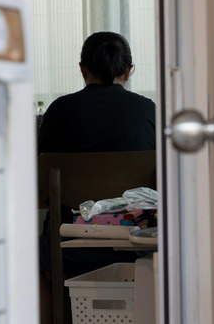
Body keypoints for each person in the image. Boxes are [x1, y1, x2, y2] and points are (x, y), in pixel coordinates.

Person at [37, 31, 157, 323]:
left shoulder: (60, 110)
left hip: (68, 245)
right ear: (129, 71)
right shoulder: (149, 110)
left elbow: (40, 186)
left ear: (82, 68)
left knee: (37, 253)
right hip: (135, 244)